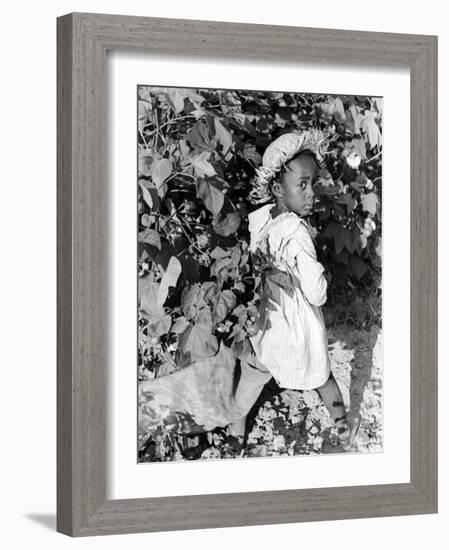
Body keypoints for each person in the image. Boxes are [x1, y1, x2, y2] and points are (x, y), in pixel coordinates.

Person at [228, 129, 360, 450]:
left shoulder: (260, 220)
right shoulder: (298, 232)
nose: (311, 192)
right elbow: (316, 294)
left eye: (312, 183)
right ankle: (343, 428)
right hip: (297, 325)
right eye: (302, 184)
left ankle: (233, 438)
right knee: (322, 378)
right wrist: (318, 273)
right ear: (277, 188)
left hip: (269, 318)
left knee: (253, 372)